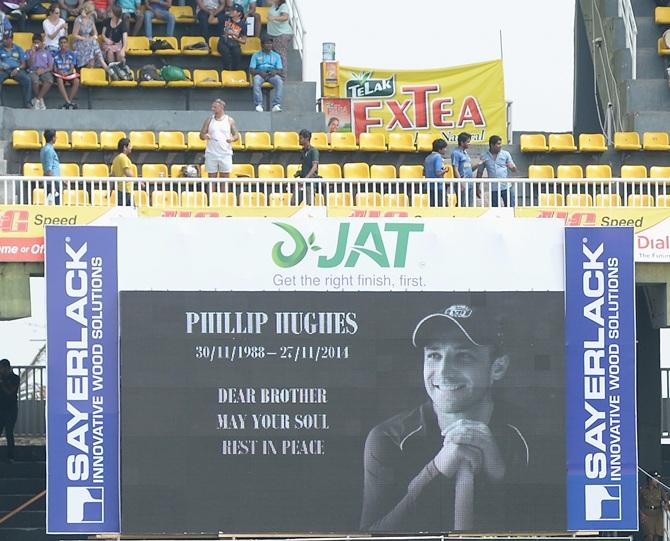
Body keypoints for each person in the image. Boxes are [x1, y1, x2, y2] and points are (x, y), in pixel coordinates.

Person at [360, 304, 530, 532]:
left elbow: (556, 531)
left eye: (463, 356)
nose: (443, 371)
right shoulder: (389, 437)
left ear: (497, 368)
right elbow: (372, 535)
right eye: (434, 355)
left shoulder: (530, 434)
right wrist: (434, 472)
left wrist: (501, 478)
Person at [200, 98, 239, 178]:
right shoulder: (209, 120)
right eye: (212, 107)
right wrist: (205, 136)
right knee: (211, 178)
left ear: (221, 107)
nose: (212, 109)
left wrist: (232, 139)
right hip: (211, 153)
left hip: (225, 153)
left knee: (224, 178)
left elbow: (236, 135)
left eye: (215, 107)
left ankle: (223, 191)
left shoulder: (229, 120)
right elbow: (201, 134)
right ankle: (212, 191)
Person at [476, 135, 517, 208]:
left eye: (501, 143)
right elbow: (480, 172)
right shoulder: (484, 156)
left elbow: (514, 169)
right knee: (495, 210)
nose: (500, 146)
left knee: (510, 208)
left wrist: (513, 167)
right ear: (492, 145)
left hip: (506, 187)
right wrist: (477, 187)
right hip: (493, 188)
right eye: (498, 144)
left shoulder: (506, 154)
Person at [249, 35, 282, 112]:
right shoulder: (256, 55)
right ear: (262, 45)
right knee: (256, 80)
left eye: (270, 43)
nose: (269, 45)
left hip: (272, 75)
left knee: (279, 81)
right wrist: (259, 72)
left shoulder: (276, 56)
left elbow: (280, 70)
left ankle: (276, 105)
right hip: (260, 74)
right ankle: (259, 104)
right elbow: (251, 70)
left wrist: (275, 71)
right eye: (267, 43)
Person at [0, 30, 32, 108]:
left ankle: (27, 103)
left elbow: (23, 64)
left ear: (11, 39)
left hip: (16, 70)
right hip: (3, 70)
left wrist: (17, 69)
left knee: (27, 79)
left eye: (6, 39)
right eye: (3, 38)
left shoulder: (18, 48)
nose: (4, 40)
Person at [72, 2, 108, 70]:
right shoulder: (79, 20)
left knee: (93, 42)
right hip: (79, 41)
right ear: (89, 12)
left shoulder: (91, 19)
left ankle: (96, 63)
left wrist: (94, 36)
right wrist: (85, 38)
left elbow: (95, 32)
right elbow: (74, 35)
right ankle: (103, 64)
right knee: (93, 44)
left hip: (89, 40)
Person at [26, 33, 53, 110]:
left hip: (44, 70)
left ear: (41, 43)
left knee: (49, 80)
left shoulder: (47, 52)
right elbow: (29, 64)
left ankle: (37, 99)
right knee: (35, 81)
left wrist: (43, 71)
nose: (36, 44)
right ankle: (40, 100)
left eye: (38, 42)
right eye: (35, 42)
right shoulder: (29, 51)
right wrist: (33, 53)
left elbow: (50, 67)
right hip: (33, 70)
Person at [0, 359, 20, 463]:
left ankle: (11, 456)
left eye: (2, 368)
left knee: (9, 432)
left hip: (11, 410)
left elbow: (10, 392)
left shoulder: (15, 378)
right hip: (1, 409)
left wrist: (2, 383)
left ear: (7, 368)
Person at [53, 35, 80, 109]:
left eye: (65, 42)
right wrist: (59, 72)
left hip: (68, 73)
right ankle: (68, 101)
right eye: (61, 43)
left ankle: (68, 101)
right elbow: (54, 68)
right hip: (59, 74)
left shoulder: (72, 54)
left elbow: (72, 68)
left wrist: (67, 73)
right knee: (59, 79)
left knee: (77, 81)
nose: (63, 44)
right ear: (59, 44)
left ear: (67, 44)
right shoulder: (55, 54)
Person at [217, 2, 245, 71]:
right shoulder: (225, 18)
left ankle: (235, 72)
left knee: (237, 53)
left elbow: (244, 41)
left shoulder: (243, 24)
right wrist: (212, 13)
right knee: (226, 53)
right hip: (223, 42)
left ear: (239, 13)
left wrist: (237, 39)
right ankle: (226, 72)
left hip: (234, 43)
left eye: (233, 10)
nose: (231, 11)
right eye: (231, 10)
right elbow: (211, 21)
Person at [266, 0, 291, 78]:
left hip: (282, 34)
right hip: (273, 34)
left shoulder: (284, 6)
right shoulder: (274, 6)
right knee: (274, 54)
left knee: (280, 54)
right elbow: (268, 2)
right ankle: (275, 74)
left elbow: (285, 17)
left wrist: (274, 18)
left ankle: (283, 75)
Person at [640, 471, 668, 541]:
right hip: (647, 514)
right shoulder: (642, 489)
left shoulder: (660, 489)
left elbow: (666, 500)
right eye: (655, 479)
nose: (657, 481)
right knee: (649, 535)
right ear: (650, 479)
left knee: (657, 535)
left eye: (658, 479)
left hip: (658, 514)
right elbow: (637, 503)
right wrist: (641, 513)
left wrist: (666, 505)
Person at [293, 128, 318, 204]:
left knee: (309, 204)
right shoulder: (303, 151)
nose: (299, 140)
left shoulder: (313, 151)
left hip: (309, 183)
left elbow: (314, 167)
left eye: (301, 138)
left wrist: (306, 178)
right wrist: (300, 173)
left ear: (307, 138)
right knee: (293, 202)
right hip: (301, 182)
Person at [111, 137, 137, 205]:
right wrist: (138, 181)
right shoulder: (123, 157)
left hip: (120, 189)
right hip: (126, 189)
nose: (131, 147)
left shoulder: (116, 159)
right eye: (129, 146)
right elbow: (127, 171)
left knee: (122, 211)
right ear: (125, 147)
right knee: (130, 212)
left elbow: (113, 175)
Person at [451, 132, 475, 206]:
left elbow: (469, 168)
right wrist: (461, 183)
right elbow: (455, 169)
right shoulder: (456, 153)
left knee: (470, 204)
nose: (469, 144)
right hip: (462, 182)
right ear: (462, 142)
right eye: (468, 142)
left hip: (469, 182)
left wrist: (478, 164)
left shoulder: (465, 153)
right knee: (462, 204)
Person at [423, 138, 448, 206]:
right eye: (445, 148)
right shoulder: (438, 157)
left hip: (429, 187)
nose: (446, 150)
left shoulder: (427, 157)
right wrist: (445, 170)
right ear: (440, 149)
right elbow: (438, 172)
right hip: (438, 186)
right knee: (442, 207)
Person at [40, 129, 62, 204]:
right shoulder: (49, 150)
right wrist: (53, 186)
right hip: (52, 182)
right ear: (53, 138)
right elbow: (49, 169)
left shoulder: (44, 149)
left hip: (52, 181)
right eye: (55, 136)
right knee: (55, 205)